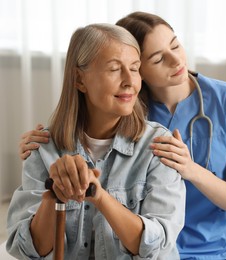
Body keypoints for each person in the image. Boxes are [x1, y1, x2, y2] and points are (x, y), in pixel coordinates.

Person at [18, 12, 226, 260]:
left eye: (175, 44)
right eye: (158, 59)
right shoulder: (124, 109)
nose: (176, 60)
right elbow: (83, 113)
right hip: (173, 247)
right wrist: (45, 146)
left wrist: (190, 168)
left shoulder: (225, 100)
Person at [8, 23, 186, 260]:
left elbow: (157, 246)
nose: (129, 81)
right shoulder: (43, 148)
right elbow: (26, 250)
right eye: (114, 69)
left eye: (134, 69)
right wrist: (53, 197)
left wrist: (99, 196)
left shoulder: (158, 146)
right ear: (79, 79)